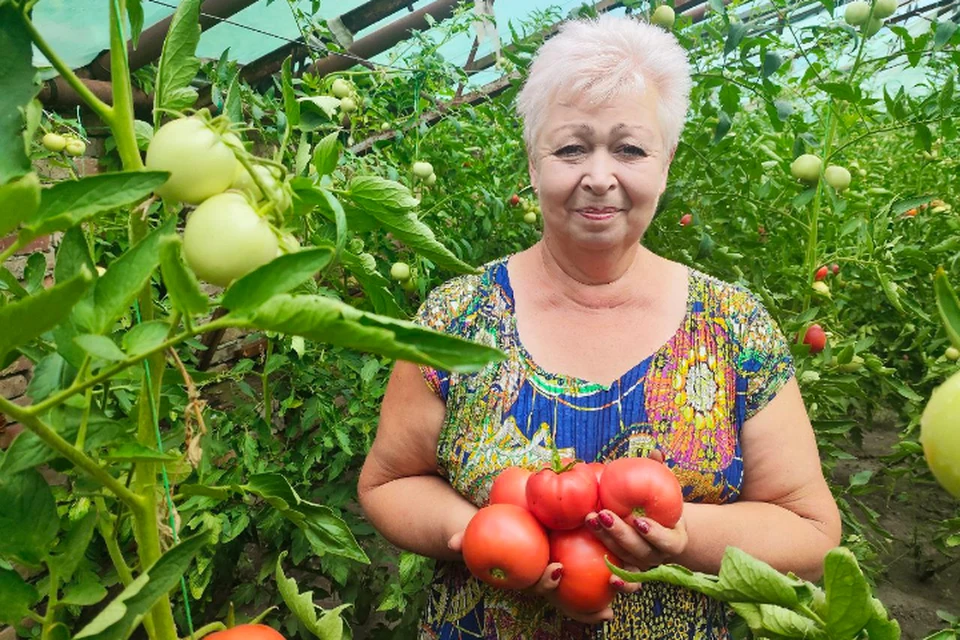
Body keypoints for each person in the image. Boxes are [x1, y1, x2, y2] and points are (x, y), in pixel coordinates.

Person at [357, 12, 841, 640]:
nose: (600, 175)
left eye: (630, 148)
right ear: (534, 165)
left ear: (664, 165)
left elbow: (809, 527)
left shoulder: (733, 326)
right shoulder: (455, 320)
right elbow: (390, 481)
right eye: (571, 147)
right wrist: (485, 538)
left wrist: (682, 537)